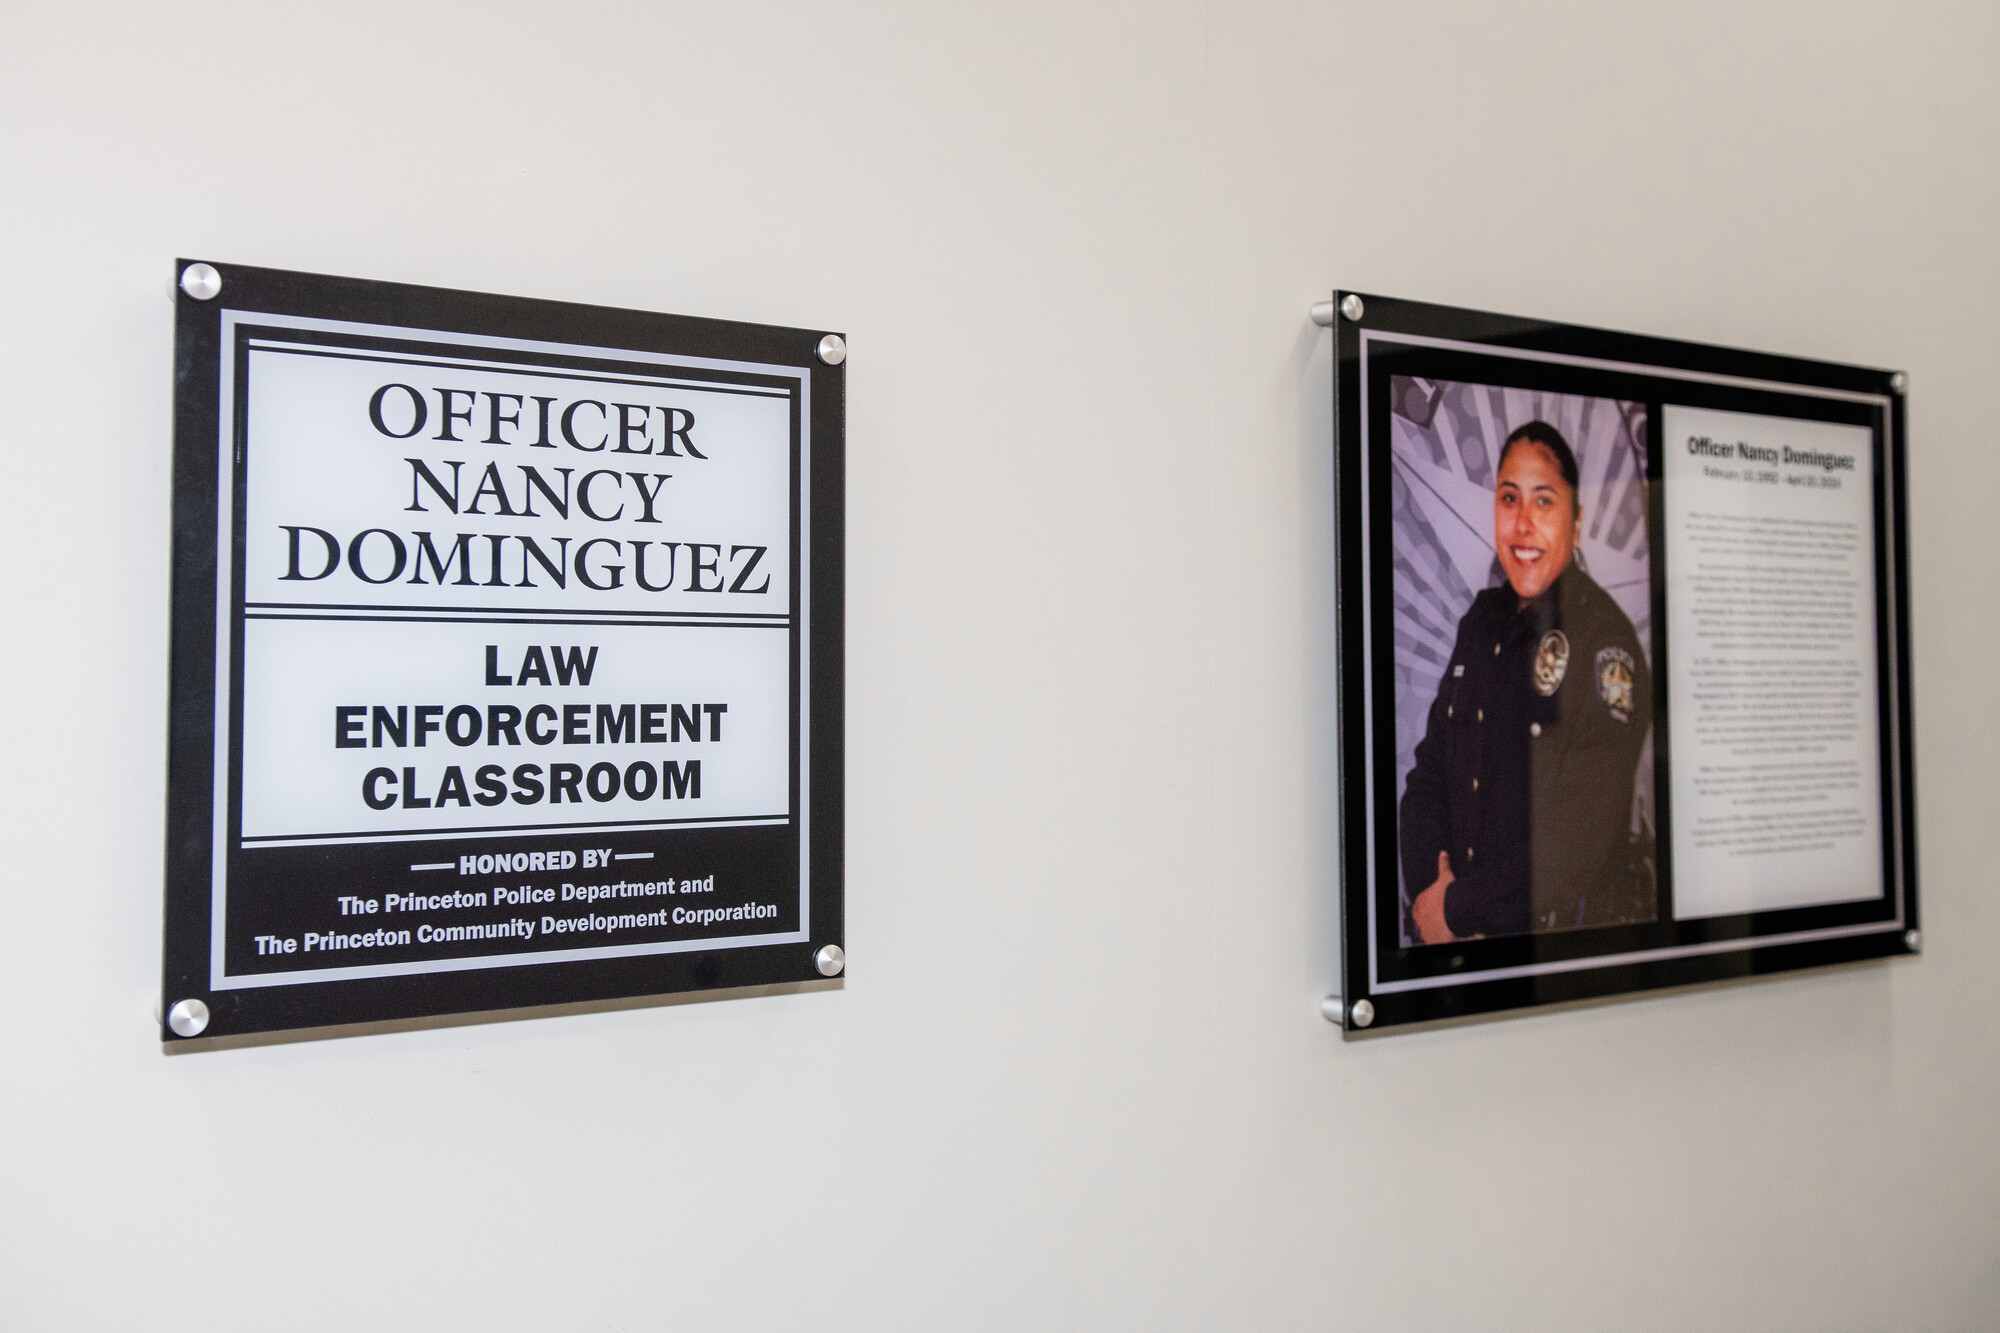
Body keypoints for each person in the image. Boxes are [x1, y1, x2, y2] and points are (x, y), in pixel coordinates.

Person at [1400, 420, 1652, 943]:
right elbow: (1427, 782)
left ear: (1577, 523)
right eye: (1509, 499)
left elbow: (1578, 840)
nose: (1522, 525)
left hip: (1553, 960)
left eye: (1545, 502)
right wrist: (1433, 900)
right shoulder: (1482, 622)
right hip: (1456, 940)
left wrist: (1459, 911)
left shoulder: (1606, 645)